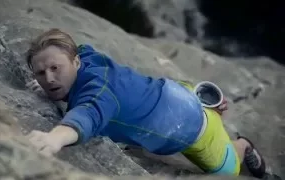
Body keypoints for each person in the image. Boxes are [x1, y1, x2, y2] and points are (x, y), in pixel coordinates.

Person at [25, 28, 266, 178]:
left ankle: (242, 145)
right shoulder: (86, 57)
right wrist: (59, 85)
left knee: (227, 172)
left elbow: (88, 114)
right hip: (174, 92)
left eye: (56, 68)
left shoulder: (99, 92)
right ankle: (208, 99)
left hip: (192, 129)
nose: (49, 78)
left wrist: (53, 138)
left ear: (76, 62)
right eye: (40, 72)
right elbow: (83, 54)